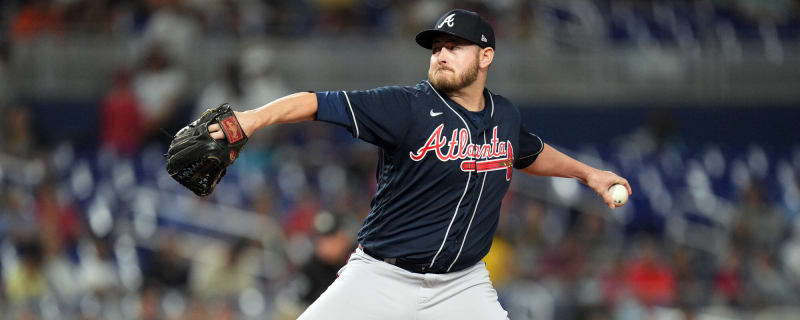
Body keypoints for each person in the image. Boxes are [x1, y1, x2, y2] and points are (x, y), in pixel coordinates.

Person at [208, 9, 632, 319]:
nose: (441, 54)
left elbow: (530, 152)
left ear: (486, 57)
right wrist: (249, 119)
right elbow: (314, 102)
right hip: (381, 278)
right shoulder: (405, 106)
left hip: (463, 285)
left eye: (454, 47)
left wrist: (590, 174)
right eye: (437, 48)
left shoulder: (504, 116)